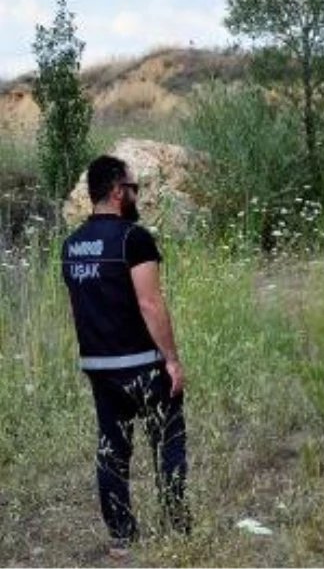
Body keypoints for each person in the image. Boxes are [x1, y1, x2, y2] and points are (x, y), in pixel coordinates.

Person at [61, 156, 189, 559]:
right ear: (118, 190)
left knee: (112, 451)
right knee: (167, 443)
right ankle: (178, 526)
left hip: (99, 366)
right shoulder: (133, 238)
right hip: (142, 363)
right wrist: (171, 359)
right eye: (134, 188)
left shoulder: (71, 245)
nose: (137, 195)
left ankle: (121, 539)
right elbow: (150, 303)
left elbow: (75, 309)